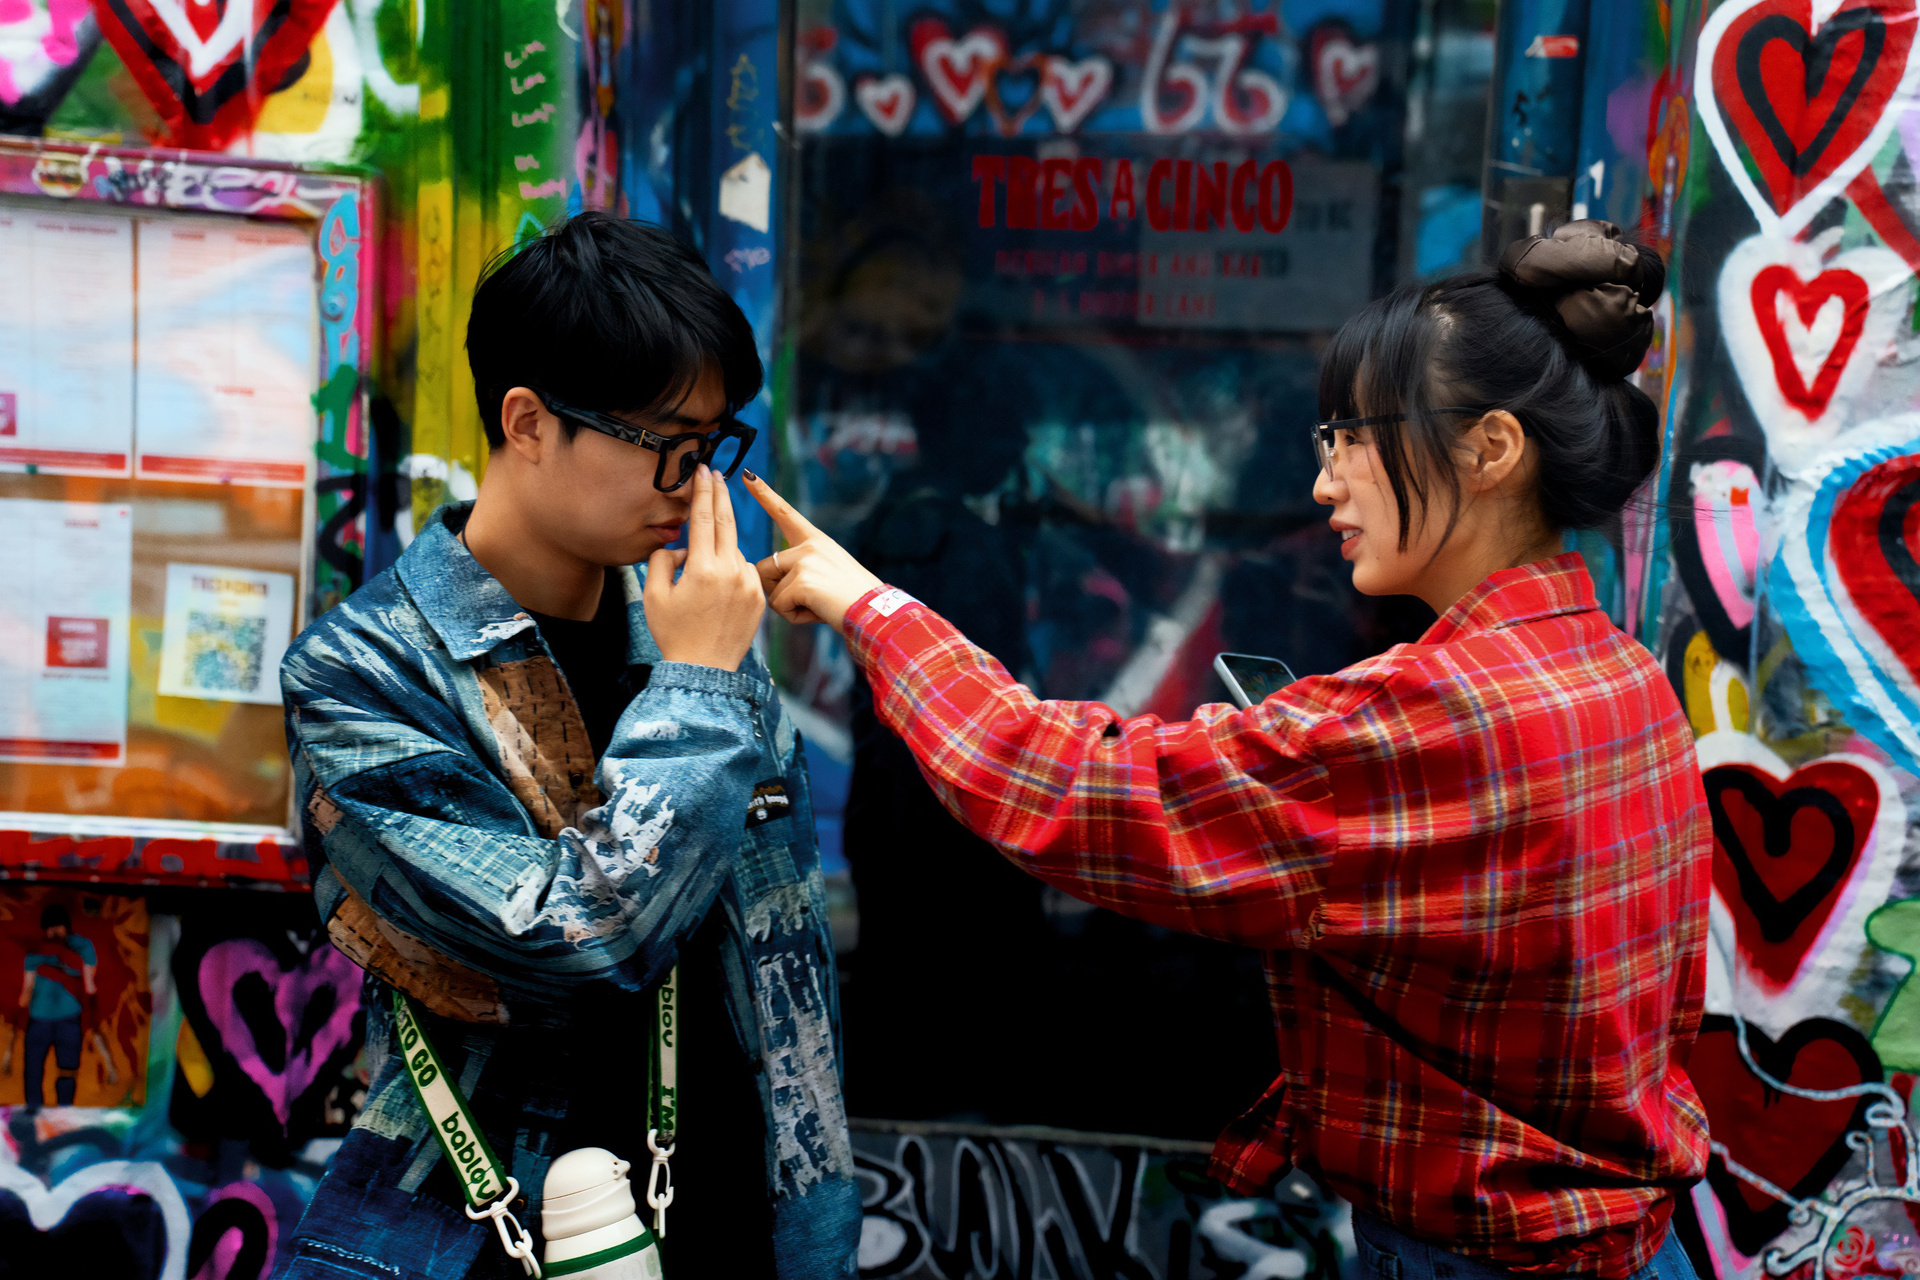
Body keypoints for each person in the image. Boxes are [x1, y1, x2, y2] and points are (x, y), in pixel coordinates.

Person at [744, 221, 1707, 1280]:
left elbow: (1070, 785)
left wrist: (870, 606)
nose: (1326, 484)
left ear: (1490, 449)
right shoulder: (1622, 675)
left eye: (1354, 436)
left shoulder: (1438, 715)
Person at [277, 213, 861, 1280]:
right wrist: (700, 687)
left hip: (749, 1226)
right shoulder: (362, 676)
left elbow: (782, 969)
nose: (693, 484)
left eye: (713, 444)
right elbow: (580, 945)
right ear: (529, 422)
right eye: (665, 442)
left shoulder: (690, 630)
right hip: (493, 1240)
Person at [17, 902, 96, 1108]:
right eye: (49, 928)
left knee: (63, 1070)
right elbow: (27, 989)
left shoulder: (81, 947)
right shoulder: (36, 952)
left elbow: (89, 985)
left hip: (63, 1018)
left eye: (56, 927)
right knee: (36, 1070)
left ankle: (60, 1114)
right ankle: (39, 1113)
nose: (53, 931)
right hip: (44, 1018)